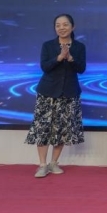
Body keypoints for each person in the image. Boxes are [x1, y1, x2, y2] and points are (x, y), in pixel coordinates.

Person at [25, 14, 86, 178]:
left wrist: (70, 58)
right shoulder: (48, 45)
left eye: (65, 24)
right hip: (47, 92)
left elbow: (81, 69)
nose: (61, 28)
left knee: (62, 129)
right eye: (58, 25)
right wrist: (59, 58)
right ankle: (42, 165)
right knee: (43, 129)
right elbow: (45, 67)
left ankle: (54, 163)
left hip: (69, 93)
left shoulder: (79, 47)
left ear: (72, 27)